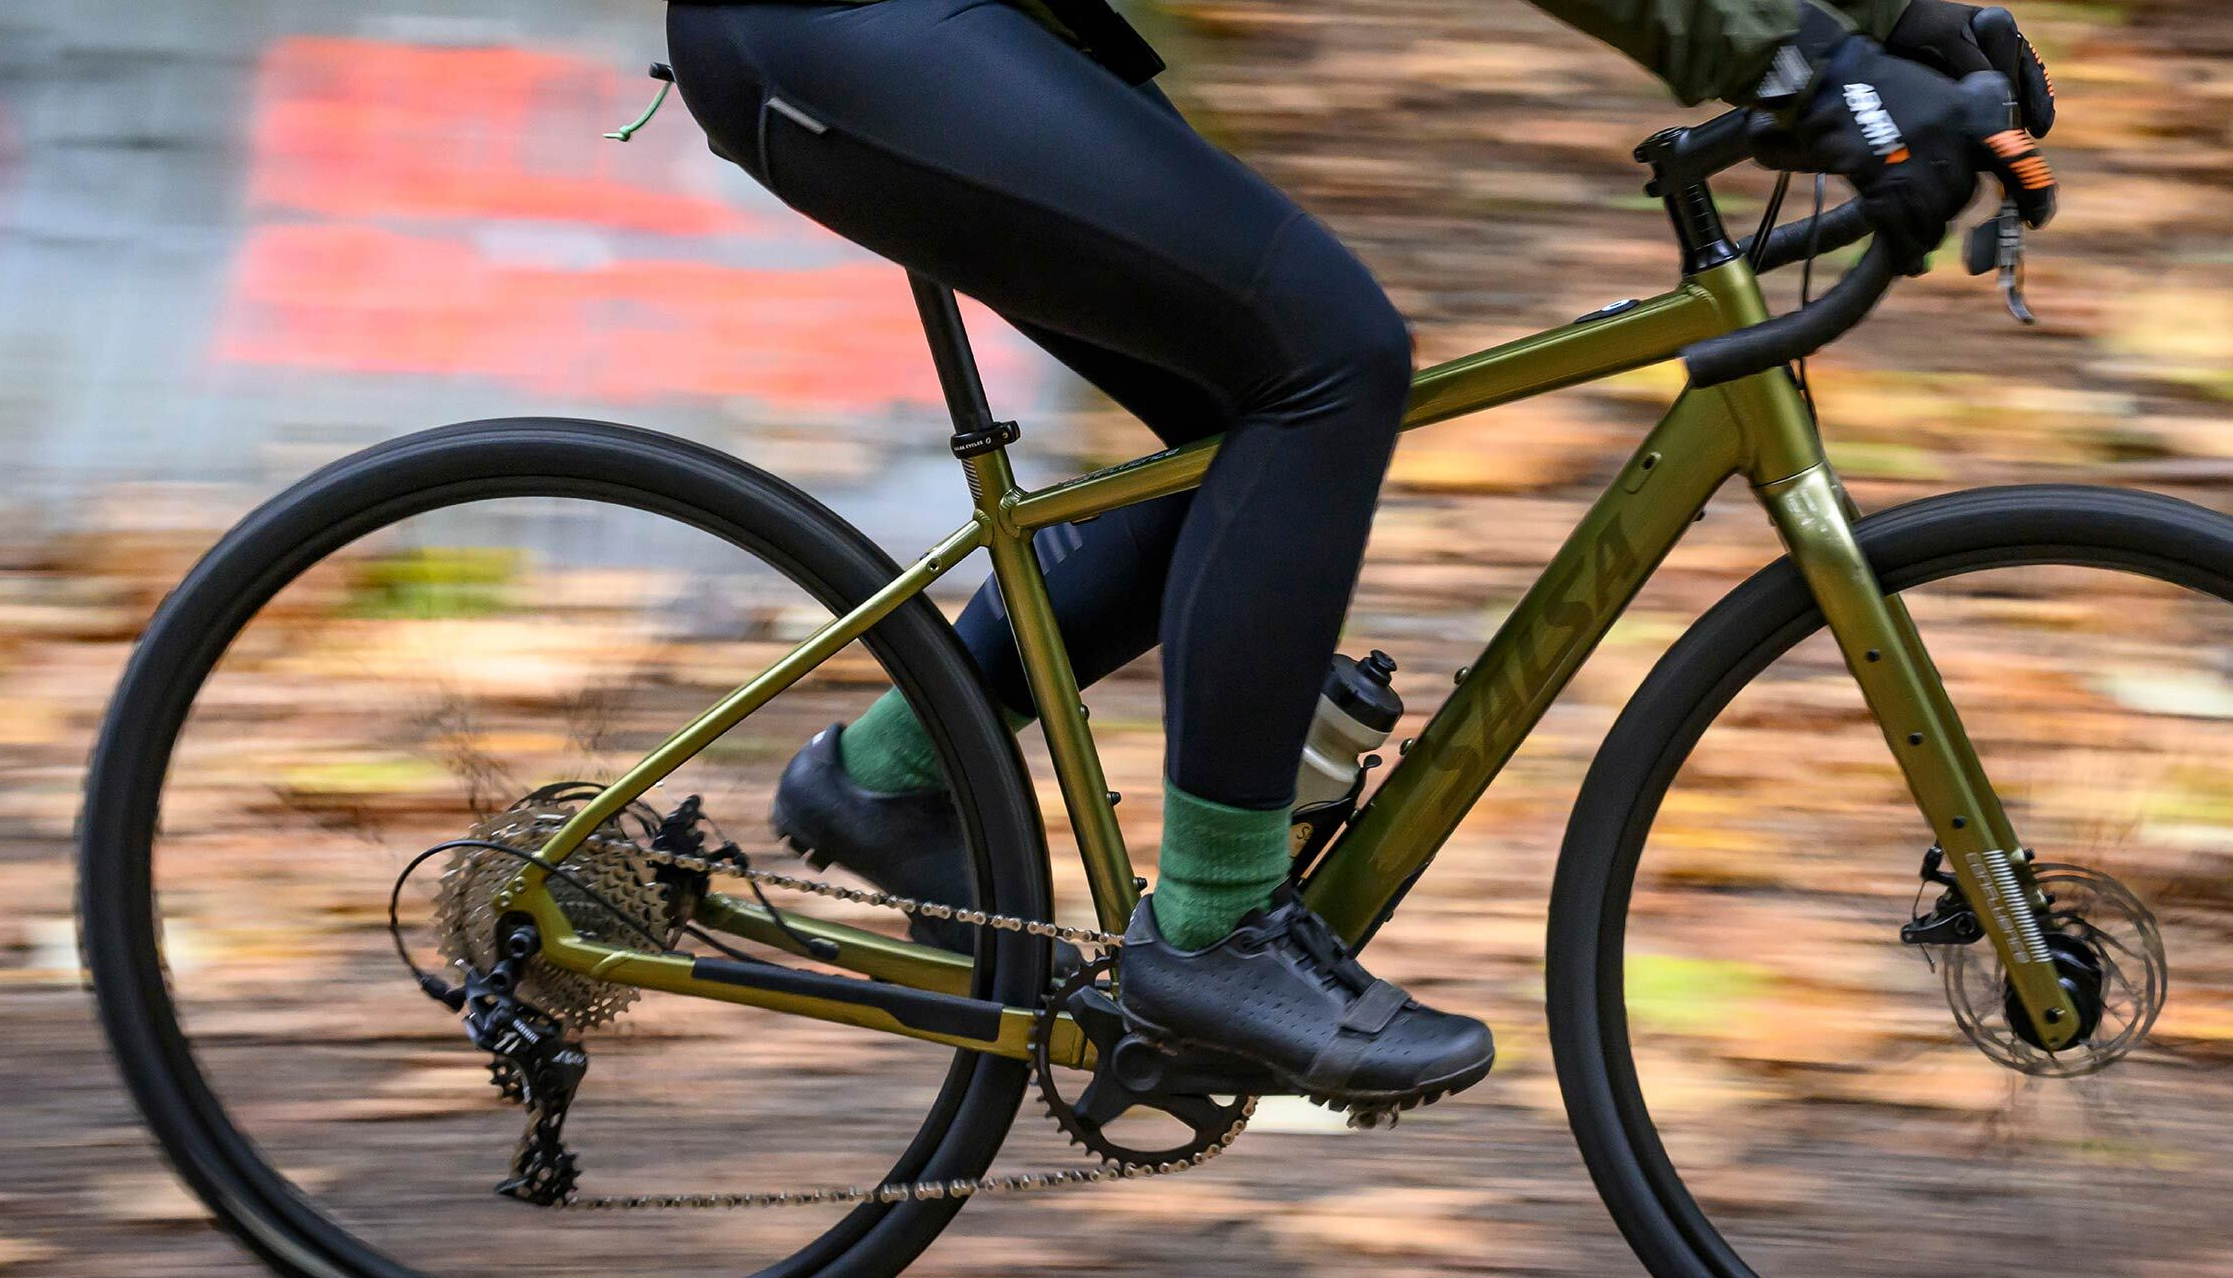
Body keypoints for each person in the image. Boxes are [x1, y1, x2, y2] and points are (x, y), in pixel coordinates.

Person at [663, 0, 2056, 1113]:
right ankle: (1212, 932)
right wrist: (1809, 64)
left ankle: (895, 779)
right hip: (842, 24)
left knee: (1233, 418)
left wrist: (1893, 24)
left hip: (957, 24)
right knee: (1327, 358)